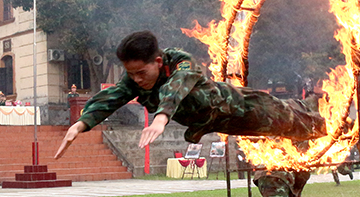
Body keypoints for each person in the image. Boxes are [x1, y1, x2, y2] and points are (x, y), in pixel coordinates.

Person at [55, 31, 327, 159]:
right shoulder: (134, 81)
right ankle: (318, 114)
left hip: (243, 106)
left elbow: (179, 84)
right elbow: (110, 97)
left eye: (141, 72)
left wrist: (161, 118)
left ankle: (341, 124)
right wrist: (80, 124)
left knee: (300, 122)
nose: (137, 79)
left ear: (158, 61)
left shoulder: (180, 61)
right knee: (289, 129)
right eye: (132, 74)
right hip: (223, 124)